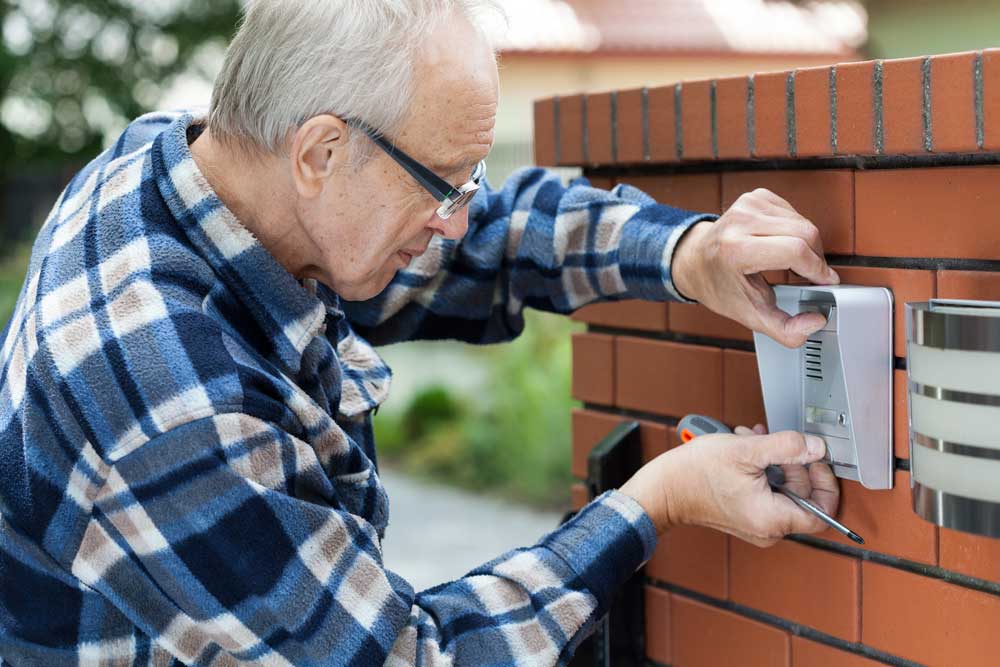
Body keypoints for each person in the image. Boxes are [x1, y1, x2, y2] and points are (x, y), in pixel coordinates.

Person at [0, 1, 842, 665]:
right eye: (444, 185)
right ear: (320, 153)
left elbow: (491, 241)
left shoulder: (203, 170)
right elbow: (411, 655)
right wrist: (657, 500)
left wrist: (684, 253)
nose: (457, 219)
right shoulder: (165, 395)